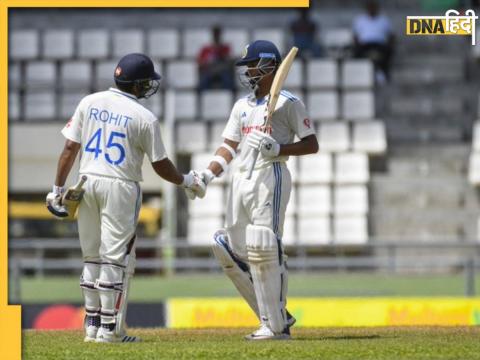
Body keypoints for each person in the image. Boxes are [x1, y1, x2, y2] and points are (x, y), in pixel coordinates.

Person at [45, 53, 205, 343]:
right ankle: (109, 330)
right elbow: (160, 165)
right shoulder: (145, 117)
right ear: (137, 84)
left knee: (91, 257)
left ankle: (91, 326)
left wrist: (57, 190)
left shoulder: (89, 102)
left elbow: (69, 149)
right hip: (121, 185)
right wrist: (186, 181)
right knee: (115, 260)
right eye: (146, 83)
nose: (148, 87)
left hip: (86, 181)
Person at [192, 40, 319, 340]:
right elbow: (228, 146)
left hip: (270, 176)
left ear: (266, 66)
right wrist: (207, 176)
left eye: (251, 65)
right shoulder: (242, 106)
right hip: (241, 181)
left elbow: (312, 143)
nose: (247, 71)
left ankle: (273, 325)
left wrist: (278, 148)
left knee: (265, 246)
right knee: (225, 246)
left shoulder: (288, 102)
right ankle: (277, 314)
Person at [352, 0, 395, 83]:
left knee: (388, 52)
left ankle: (384, 73)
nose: (372, 9)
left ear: (377, 8)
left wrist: (390, 45)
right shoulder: (360, 20)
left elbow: (391, 35)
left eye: (373, 7)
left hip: (380, 45)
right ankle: (358, 75)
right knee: (356, 52)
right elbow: (355, 36)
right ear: (367, 9)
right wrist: (357, 44)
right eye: (370, 7)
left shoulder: (384, 20)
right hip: (365, 45)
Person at [197, 25, 235, 90]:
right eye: (215, 33)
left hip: (222, 71)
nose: (216, 35)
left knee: (228, 81)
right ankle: (201, 98)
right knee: (203, 83)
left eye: (217, 33)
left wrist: (222, 56)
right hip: (209, 71)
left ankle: (230, 97)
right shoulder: (206, 49)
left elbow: (229, 61)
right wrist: (207, 62)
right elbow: (200, 62)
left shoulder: (225, 48)